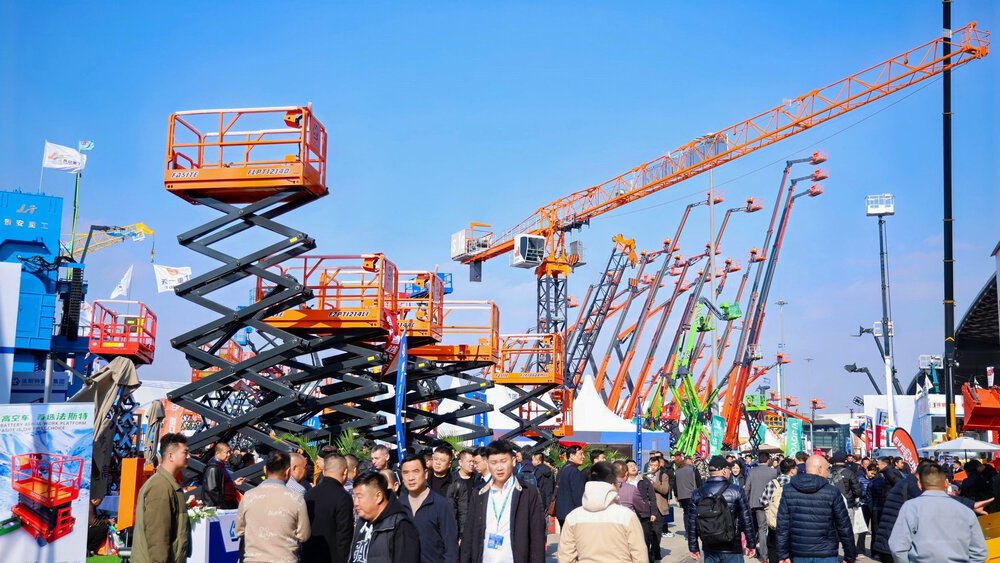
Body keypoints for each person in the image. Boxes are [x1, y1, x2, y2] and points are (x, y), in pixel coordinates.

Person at [460, 440, 546, 563]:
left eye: (503, 461)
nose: (499, 467)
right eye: (494, 462)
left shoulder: (528, 492)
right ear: (488, 464)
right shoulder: (479, 493)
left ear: (513, 461)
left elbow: (537, 537)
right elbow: (469, 534)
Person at [888, 461, 987, 562]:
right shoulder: (966, 511)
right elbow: (979, 551)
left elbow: (898, 547)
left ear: (919, 484)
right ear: (946, 483)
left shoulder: (910, 507)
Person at [557, 461, 647, 563]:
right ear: (613, 484)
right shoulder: (627, 516)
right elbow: (639, 555)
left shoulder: (573, 517)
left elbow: (565, 557)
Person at [776, 455, 857, 563]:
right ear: (819, 469)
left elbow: (782, 526)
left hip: (799, 551)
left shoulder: (788, 490)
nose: (828, 472)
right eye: (827, 468)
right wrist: (850, 555)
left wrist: (782, 554)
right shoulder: (832, 492)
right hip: (826, 553)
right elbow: (844, 526)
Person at [236, 451, 311, 563]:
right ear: (288, 471)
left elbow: (239, 530)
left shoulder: (248, 496)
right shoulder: (296, 498)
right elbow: (304, 535)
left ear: (265, 470)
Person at [132, 433, 191, 563]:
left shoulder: (168, 484)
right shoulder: (160, 486)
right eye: (185, 452)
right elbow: (158, 536)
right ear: (171, 456)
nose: (189, 456)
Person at [686, 455, 757, 562]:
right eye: (729, 469)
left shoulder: (697, 493)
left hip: (709, 546)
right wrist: (751, 544)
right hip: (732, 546)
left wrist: (693, 547)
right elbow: (746, 519)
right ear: (724, 471)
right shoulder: (736, 491)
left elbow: (692, 523)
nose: (730, 471)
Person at [399, 454, 459, 563]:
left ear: (426, 474)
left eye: (416, 471)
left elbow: (451, 546)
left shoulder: (441, 504)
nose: (411, 477)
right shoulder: (399, 506)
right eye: (406, 473)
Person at [350, 471, 420, 563]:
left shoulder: (400, 526)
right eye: (354, 497)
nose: (356, 503)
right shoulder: (362, 523)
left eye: (359, 497)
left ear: (378, 496)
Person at [304, 453, 355, 563]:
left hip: (308, 555)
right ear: (345, 472)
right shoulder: (343, 497)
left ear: (323, 471)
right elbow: (344, 536)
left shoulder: (309, 494)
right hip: (332, 557)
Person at [759, 458, 797, 563]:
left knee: (774, 549)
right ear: (792, 470)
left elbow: (763, 500)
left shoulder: (773, 483)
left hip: (775, 524)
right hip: (793, 524)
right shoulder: (797, 483)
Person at [743, 451, 776, 562]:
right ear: (768, 460)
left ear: (758, 460)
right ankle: (770, 551)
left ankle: (764, 555)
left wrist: (746, 502)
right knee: (770, 528)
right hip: (771, 504)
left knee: (761, 529)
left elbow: (747, 488)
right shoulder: (774, 472)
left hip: (756, 504)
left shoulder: (752, 471)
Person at [627, 458, 660, 562]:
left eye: (634, 465)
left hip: (644, 515)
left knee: (645, 539)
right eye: (630, 466)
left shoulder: (644, 480)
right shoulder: (623, 482)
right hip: (629, 516)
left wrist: (653, 512)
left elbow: (652, 498)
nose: (633, 467)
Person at [446, 448, 479, 537]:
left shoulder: (478, 479)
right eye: (469, 461)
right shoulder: (451, 480)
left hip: (475, 525)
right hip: (457, 527)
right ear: (460, 463)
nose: (472, 464)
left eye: (473, 461)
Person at [202, 442, 246, 508]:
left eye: (229, 452)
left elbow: (221, 483)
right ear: (217, 453)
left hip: (227, 504)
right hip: (219, 508)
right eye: (226, 452)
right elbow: (212, 490)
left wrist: (233, 483)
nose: (228, 455)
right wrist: (223, 505)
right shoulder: (213, 468)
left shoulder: (220, 465)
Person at [556, 445, 588, 528]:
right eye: (581, 454)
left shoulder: (562, 469)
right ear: (571, 456)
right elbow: (578, 495)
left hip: (561, 513)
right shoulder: (575, 472)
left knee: (565, 539)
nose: (583, 457)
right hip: (572, 514)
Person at [647, 455, 674, 538]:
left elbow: (665, 490)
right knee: (648, 532)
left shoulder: (663, 476)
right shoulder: (644, 476)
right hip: (647, 507)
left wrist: (653, 484)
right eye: (651, 465)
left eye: (655, 465)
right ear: (648, 465)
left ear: (659, 466)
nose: (653, 467)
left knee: (657, 531)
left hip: (659, 507)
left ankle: (655, 550)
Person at [674, 455, 702, 530]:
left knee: (686, 513)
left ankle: (687, 531)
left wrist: (676, 495)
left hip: (682, 495)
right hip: (692, 494)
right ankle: (693, 530)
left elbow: (675, 484)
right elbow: (699, 482)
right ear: (689, 461)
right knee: (693, 513)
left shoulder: (677, 471)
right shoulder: (693, 469)